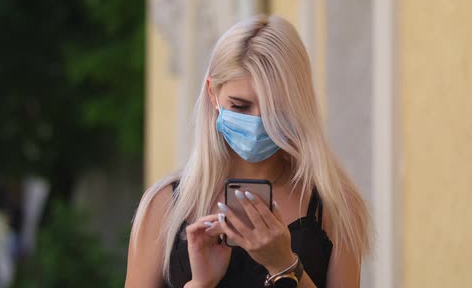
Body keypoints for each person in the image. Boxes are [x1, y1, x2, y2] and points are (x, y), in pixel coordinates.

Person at [125, 15, 370, 288]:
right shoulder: (166, 205)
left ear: (298, 105)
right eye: (240, 106)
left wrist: (283, 264)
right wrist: (200, 284)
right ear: (212, 94)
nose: (258, 122)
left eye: (275, 110)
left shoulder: (334, 205)